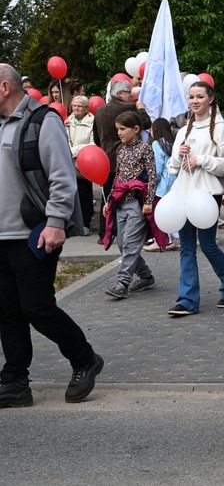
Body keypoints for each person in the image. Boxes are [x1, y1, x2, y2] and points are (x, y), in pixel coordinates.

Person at [0, 63, 103, 408]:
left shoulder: (43, 120)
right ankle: (15, 380)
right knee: (7, 311)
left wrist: (57, 221)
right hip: (1, 237)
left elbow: (63, 176)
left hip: (34, 233)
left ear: (4, 88)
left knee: (37, 307)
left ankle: (85, 359)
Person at [166, 80, 224, 316]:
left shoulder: (219, 128)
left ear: (210, 99)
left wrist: (201, 160)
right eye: (191, 97)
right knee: (186, 247)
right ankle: (187, 300)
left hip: (207, 195)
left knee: (208, 245)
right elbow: (171, 168)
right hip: (183, 194)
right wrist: (179, 156)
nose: (195, 101)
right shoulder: (184, 130)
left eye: (199, 97)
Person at [102, 111, 158, 299]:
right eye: (117, 129)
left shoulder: (145, 149)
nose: (119, 133)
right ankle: (146, 276)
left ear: (136, 129)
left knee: (131, 244)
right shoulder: (121, 150)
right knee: (122, 243)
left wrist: (149, 201)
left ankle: (122, 283)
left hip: (137, 202)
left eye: (122, 129)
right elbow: (117, 177)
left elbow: (152, 177)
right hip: (121, 202)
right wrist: (110, 199)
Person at [93, 79, 152, 245]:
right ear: (120, 94)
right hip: (127, 161)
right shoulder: (130, 109)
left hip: (105, 161)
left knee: (108, 197)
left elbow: (97, 138)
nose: (131, 97)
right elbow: (146, 123)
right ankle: (125, 232)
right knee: (127, 197)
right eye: (128, 93)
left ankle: (104, 233)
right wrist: (141, 109)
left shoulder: (99, 111)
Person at [143, 118, 179, 252]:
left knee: (159, 213)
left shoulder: (157, 144)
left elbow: (157, 167)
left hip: (162, 186)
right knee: (174, 213)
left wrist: (151, 182)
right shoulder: (171, 143)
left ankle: (162, 240)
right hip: (174, 184)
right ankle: (176, 239)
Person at [65, 95, 95, 235]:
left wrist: (73, 151)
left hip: (84, 163)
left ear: (86, 108)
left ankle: (85, 222)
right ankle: (71, 223)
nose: (76, 108)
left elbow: (93, 143)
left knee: (85, 194)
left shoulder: (92, 122)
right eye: (74, 105)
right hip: (68, 163)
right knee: (70, 193)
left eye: (79, 106)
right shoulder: (67, 121)